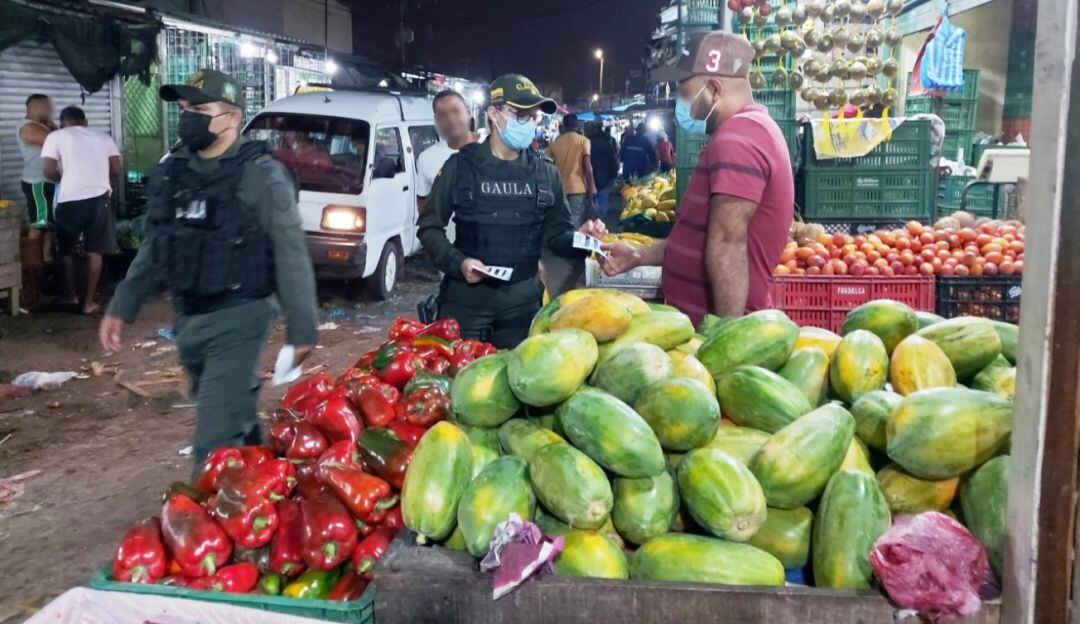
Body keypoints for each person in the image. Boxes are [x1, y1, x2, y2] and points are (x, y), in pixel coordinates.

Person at [99, 69, 318, 468]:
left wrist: (303, 329)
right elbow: (156, 243)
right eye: (184, 108)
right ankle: (264, 474)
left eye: (200, 108)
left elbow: (290, 250)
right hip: (189, 318)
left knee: (212, 444)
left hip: (241, 314)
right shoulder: (176, 171)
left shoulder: (261, 175)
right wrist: (122, 304)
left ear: (233, 117)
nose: (189, 117)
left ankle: (207, 520)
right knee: (233, 414)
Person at [600, 31, 794, 325]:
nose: (679, 99)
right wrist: (638, 256)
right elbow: (701, 239)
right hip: (696, 327)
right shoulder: (747, 131)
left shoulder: (738, 139)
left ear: (714, 89)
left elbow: (729, 244)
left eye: (684, 89)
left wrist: (724, 339)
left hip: (713, 333)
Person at [416, 74, 606, 348]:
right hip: (467, 306)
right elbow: (429, 227)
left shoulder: (545, 173)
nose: (528, 123)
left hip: (523, 308)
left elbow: (558, 235)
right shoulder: (459, 168)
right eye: (519, 114)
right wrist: (459, 262)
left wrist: (585, 239)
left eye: (532, 117)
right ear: (493, 114)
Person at [41, 106, 122, 314]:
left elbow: (48, 171)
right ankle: (88, 303)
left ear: (62, 123)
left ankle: (70, 296)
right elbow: (116, 169)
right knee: (95, 252)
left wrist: (67, 178)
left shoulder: (55, 137)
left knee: (65, 250)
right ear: (85, 122)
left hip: (70, 199)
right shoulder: (103, 137)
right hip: (100, 199)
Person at [543, 113, 597, 295]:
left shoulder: (556, 142)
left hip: (559, 188)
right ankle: (573, 253)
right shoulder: (583, 141)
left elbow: (547, 161)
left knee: (562, 218)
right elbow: (587, 165)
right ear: (577, 125)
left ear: (564, 126)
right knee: (574, 220)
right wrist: (592, 185)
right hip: (577, 187)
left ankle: (567, 247)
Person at [416, 90, 483, 214]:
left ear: (468, 113)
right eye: (443, 115)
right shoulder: (426, 159)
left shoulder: (492, 146)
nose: (451, 119)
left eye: (456, 111)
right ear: (436, 120)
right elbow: (423, 200)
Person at [18, 94, 57, 263]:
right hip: (37, 183)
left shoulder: (44, 125)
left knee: (48, 224)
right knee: (39, 223)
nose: (50, 110)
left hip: (48, 181)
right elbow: (56, 143)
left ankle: (45, 259)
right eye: (46, 107)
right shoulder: (29, 127)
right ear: (34, 108)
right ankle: (33, 264)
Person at [586, 121, 620, 222]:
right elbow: (612, 160)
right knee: (603, 200)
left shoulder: (584, 143)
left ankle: (591, 222)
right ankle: (600, 222)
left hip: (588, 177)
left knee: (591, 200)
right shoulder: (606, 142)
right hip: (604, 176)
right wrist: (614, 173)